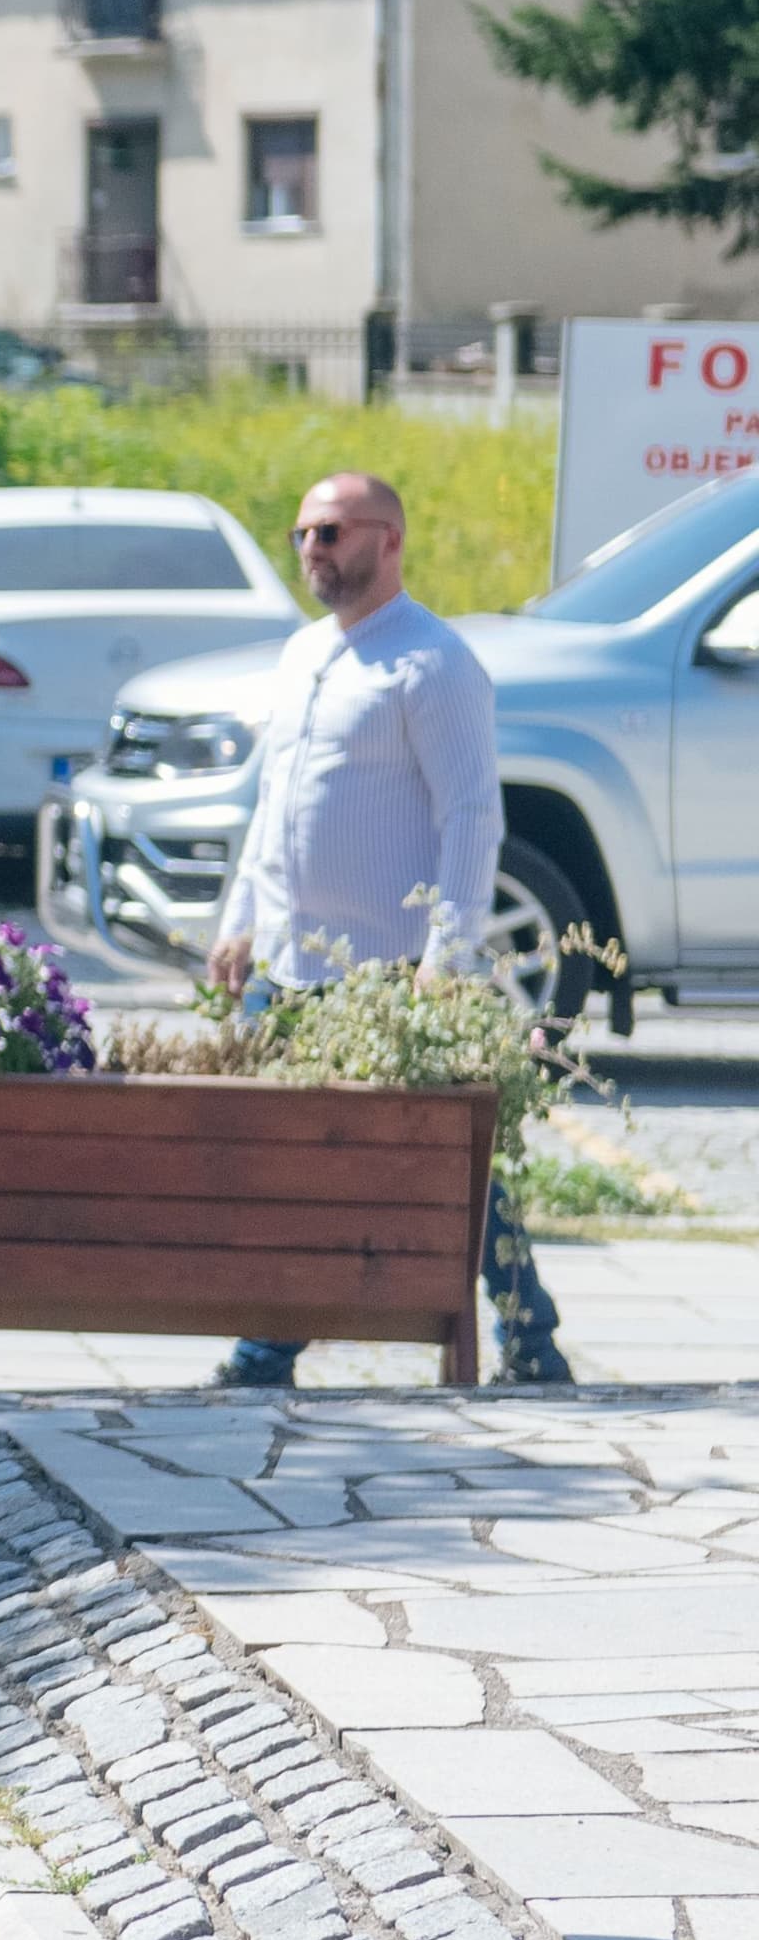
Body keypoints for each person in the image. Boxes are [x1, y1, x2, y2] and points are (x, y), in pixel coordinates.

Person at [208, 471, 564, 1386]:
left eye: (330, 532)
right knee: (291, 1164)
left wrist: (447, 956)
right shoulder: (302, 654)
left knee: (450, 1164)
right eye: (301, 534)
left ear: (389, 538)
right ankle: (267, 1348)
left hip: (387, 974)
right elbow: (273, 806)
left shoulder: (433, 662)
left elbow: (471, 818)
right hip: (287, 967)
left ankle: (530, 1338)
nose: (312, 551)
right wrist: (239, 921)